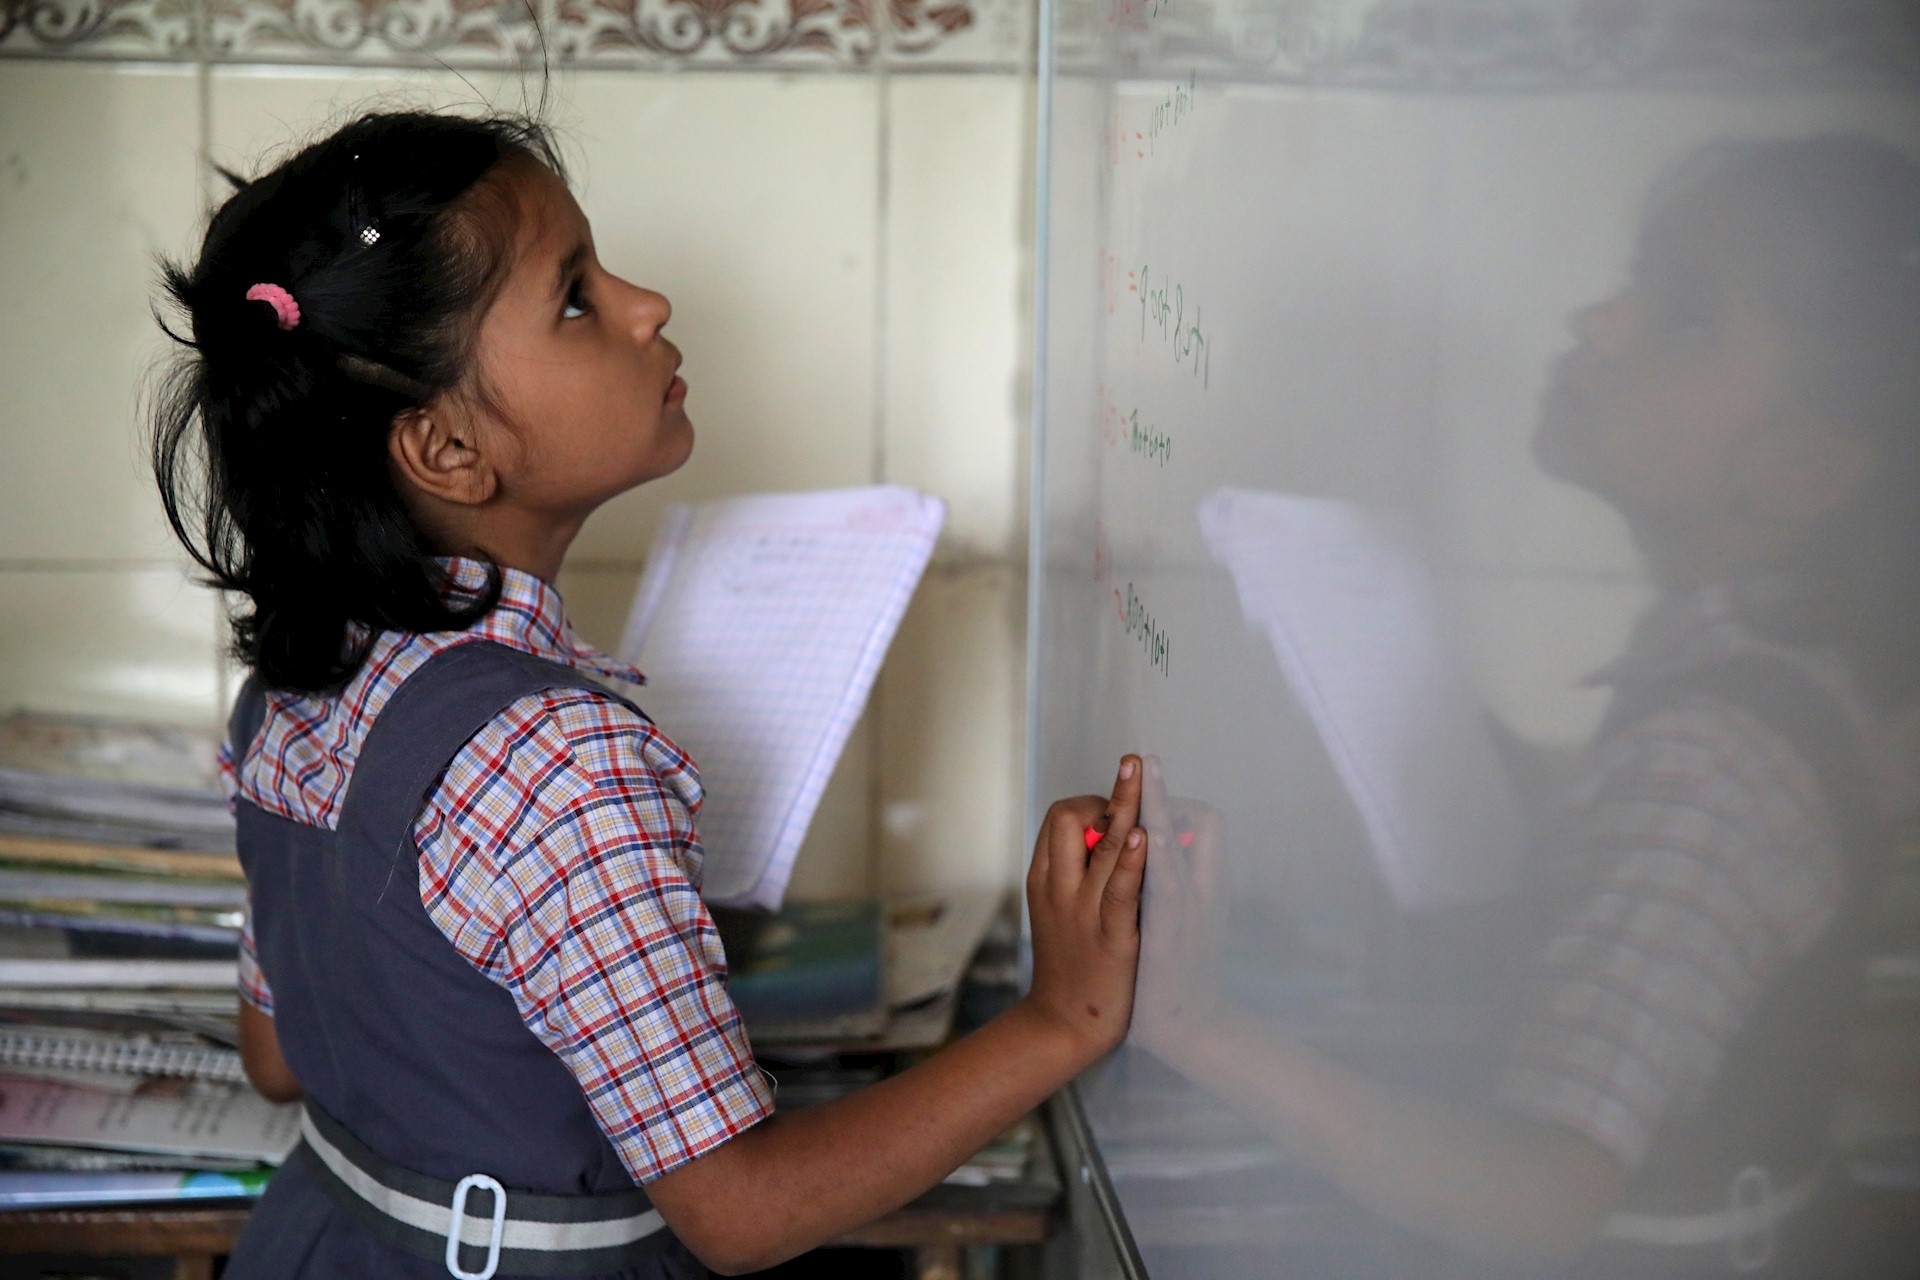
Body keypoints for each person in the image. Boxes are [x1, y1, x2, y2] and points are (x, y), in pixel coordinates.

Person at [147, 108, 1149, 1278]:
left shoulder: (298, 676)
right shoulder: (562, 761)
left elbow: (279, 1056)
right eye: (575, 296)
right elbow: (744, 1211)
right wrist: (1059, 1019)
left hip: (318, 1242)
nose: (647, 305)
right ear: (448, 450)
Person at [1134, 133, 1920, 1278]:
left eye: (1687, 313)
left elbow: (1540, 1197)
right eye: (1639, 280)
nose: (1602, 321)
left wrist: (1196, 1024)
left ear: (1806, 468)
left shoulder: (1716, 756)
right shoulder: (1756, 661)